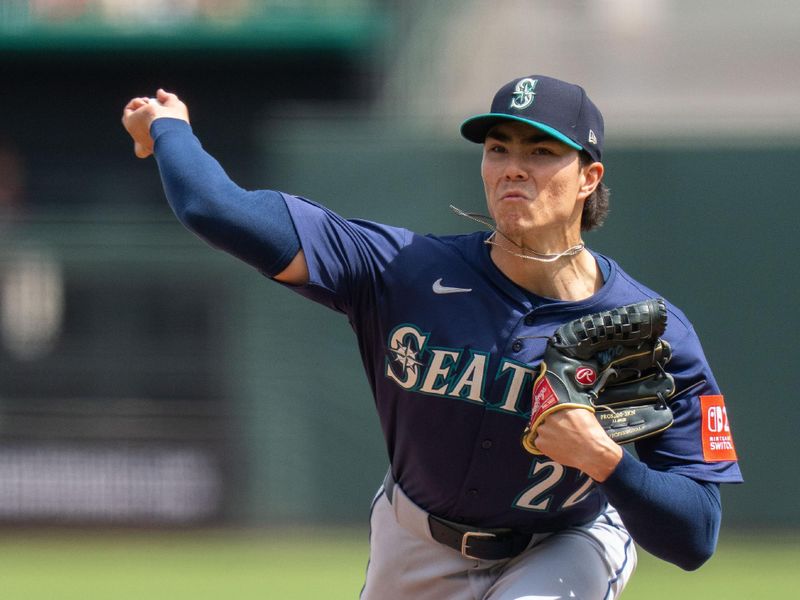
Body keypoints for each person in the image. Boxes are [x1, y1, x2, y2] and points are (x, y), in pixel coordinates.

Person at [122, 75, 742, 599]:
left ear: (588, 177)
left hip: (565, 542)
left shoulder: (645, 332)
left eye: (542, 152)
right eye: (498, 149)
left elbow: (695, 536)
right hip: (415, 538)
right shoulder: (404, 271)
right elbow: (214, 209)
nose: (513, 169)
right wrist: (169, 128)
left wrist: (606, 461)